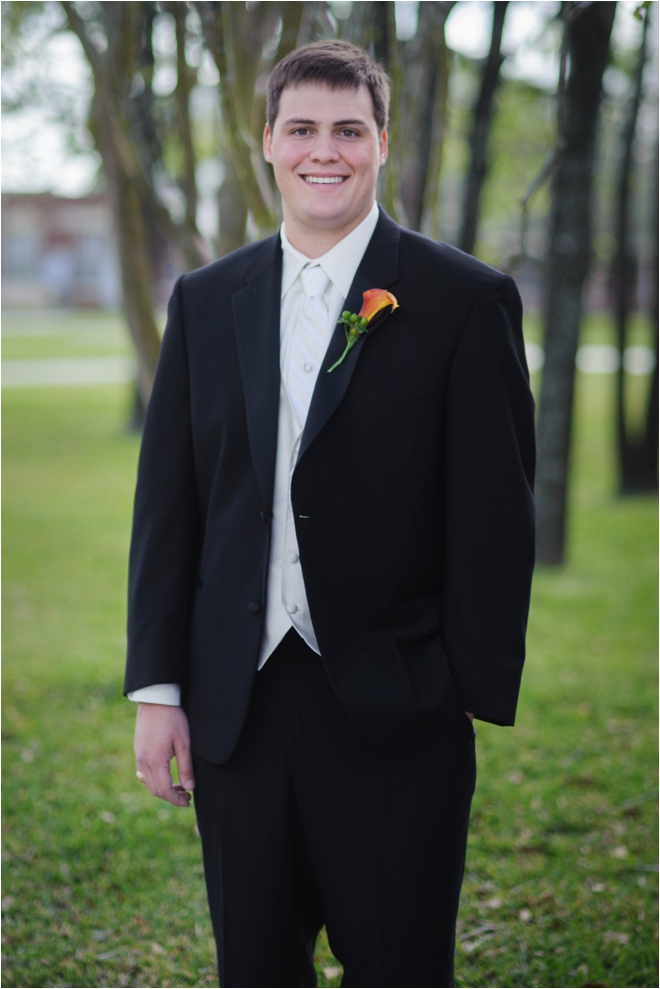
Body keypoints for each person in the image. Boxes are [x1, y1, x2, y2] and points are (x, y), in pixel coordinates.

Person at [124, 39, 535, 989]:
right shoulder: (204, 300)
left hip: (398, 706)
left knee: (399, 965)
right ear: (266, 141)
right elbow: (169, 508)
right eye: (302, 128)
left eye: (349, 130)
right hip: (238, 705)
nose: (326, 151)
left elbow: (494, 515)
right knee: (256, 969)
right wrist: (159, 691)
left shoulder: (465, 301)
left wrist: (461, 689)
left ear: (382, 143)